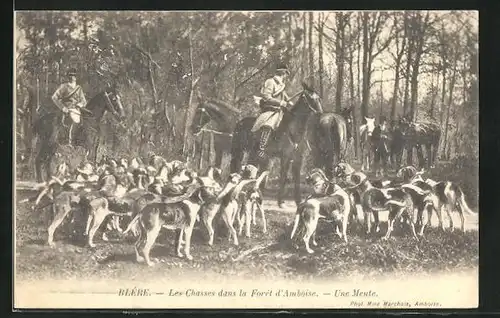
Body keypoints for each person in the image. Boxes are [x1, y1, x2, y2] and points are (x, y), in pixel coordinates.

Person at [250, 63, 293, 164]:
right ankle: (261, 148)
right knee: (269, 124)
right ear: (283, 73)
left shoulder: (282, 85)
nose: (286, 76)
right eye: (286, 74)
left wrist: (290, 103)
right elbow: (267, 97)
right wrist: (280, 102)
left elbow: (285, 96)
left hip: (280, 111)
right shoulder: (270, 82)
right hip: (270, 110)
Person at [51, 68, 87, 145]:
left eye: (74, 75)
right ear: (68, 77)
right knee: (76, 120)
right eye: (70, 75)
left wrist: (80, 104)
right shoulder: (63, 87)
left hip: (77, 109)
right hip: (68, 109)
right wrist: (63, 108)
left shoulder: (79, 88)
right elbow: (54, 97)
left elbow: (84, 101)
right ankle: (71, 142)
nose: (72, 77)